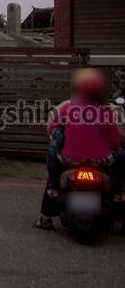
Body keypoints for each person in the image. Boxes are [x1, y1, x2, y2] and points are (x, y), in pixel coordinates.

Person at [34, 68, 125, 230]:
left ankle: (46, 217)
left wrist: (59, 135)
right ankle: (119, 193)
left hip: (69, 160)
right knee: (121, 157)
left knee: (52, 165)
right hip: (100, 162)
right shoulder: (106, 111)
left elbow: (52, 128)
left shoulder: (68, 108)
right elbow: (115, 143)